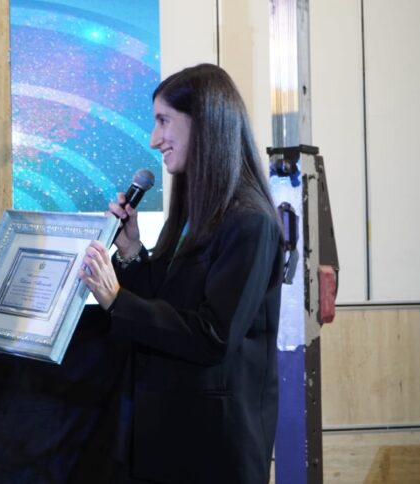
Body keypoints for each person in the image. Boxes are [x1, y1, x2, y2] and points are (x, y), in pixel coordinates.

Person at [78, 63, 283, 483]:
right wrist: (132, 252)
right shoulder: (193, 214)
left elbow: (212, 336)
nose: (155, 140)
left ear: (204, 123)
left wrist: (117, 300)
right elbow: (166, 303)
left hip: (214, 450)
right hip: (169, 435)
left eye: (164, 121)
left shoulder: (251, 222)